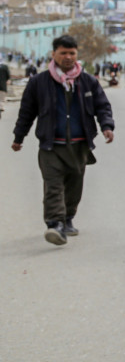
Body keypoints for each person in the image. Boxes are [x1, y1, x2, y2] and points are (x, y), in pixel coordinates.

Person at [12, 35, 115, 245]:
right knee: (53, 186)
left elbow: (102, 106)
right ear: (53, 54)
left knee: (74, 186)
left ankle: (67, 218)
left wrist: (107, 126)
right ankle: (55, 224)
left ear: (77, 55)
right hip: (51, 146)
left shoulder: (88, 81)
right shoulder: (38, 82)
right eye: (63, 53)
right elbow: (27, 112)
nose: (68, 57)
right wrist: (19, 137)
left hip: (79, 145)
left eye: (72, 53)